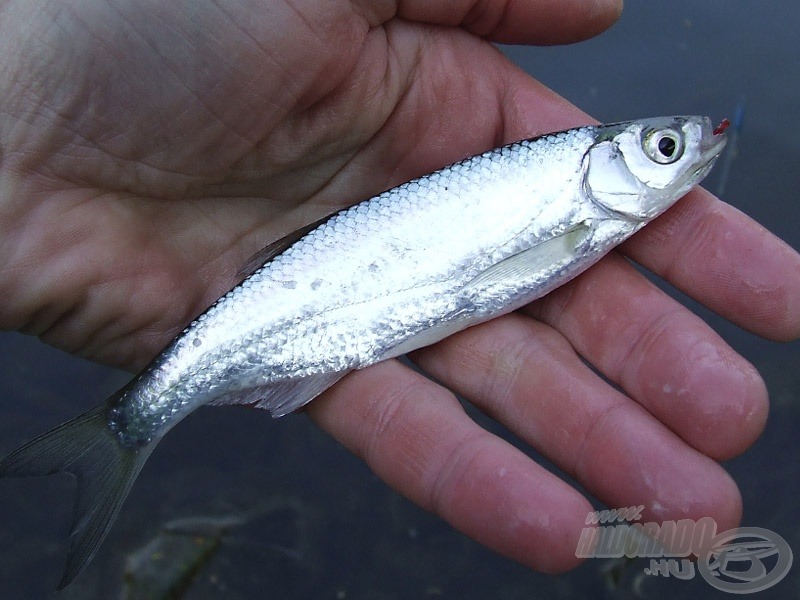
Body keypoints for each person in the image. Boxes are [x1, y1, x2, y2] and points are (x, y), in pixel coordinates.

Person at [0, 0, 796, 576]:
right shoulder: (575, 190)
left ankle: (120, 432)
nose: (684, 154)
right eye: (664, 148)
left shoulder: (585, 195)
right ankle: (125, 427)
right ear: (611, 164)